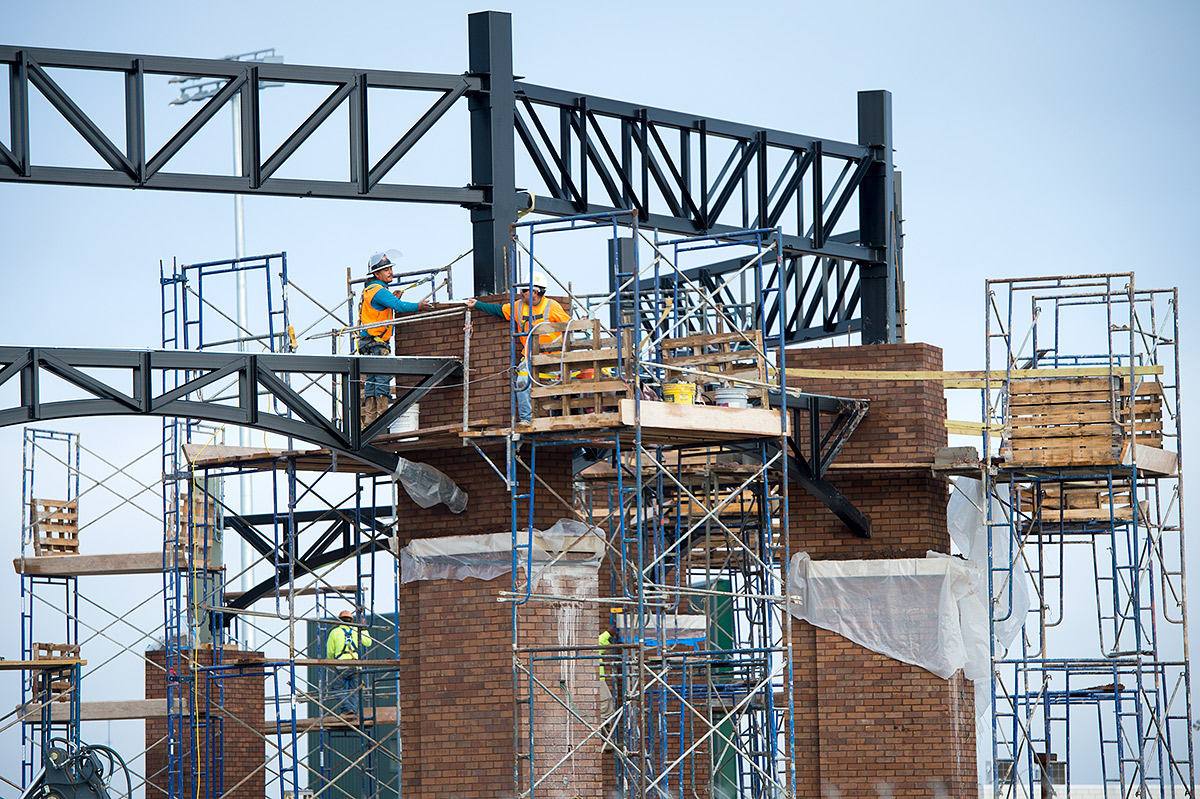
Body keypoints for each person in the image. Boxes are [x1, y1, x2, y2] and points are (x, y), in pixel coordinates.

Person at [464, 272, 570, 424]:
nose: (520, 294)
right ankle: (527, 419)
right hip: (529, 356)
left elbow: (568, 324)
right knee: (521, 382)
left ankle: (560, 419)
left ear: (534, 291)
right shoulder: (518, 306)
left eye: (524, 291)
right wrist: (477, 304)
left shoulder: (551, 306)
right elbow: (499, 310)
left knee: (562, 386)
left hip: (553, 357)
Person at [358, 251, 433, 425]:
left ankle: (370, 421)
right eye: (386, 270)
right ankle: (381, 422)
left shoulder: (372, 289)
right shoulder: (379, 291)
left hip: (368, 342)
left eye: (390, 268)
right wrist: (418, 306)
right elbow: (399, 306)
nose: (390, 272)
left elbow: (385, 306)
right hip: (376, 343)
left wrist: (392, 298)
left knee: (372, 380)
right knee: (381, 379)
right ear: (376, 274)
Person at [326, 609, 372, 716]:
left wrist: (330, 662)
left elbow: (330, 652)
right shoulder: (356, 630)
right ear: (351, 620)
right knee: (355, 690)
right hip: (355, 665)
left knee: (337, 688)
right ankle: (353, 712)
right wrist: (363, 628)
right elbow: (368, 642)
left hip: (341, 665)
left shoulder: (334, 632)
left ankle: (347, 709)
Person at [598, 621, 619, 750]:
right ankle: (605, 740)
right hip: (595, 679)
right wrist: (608, 633)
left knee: (607, 707)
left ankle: (606, 739)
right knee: (606, 705)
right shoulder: (585, 639)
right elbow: (597, 644)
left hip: (597, 679)